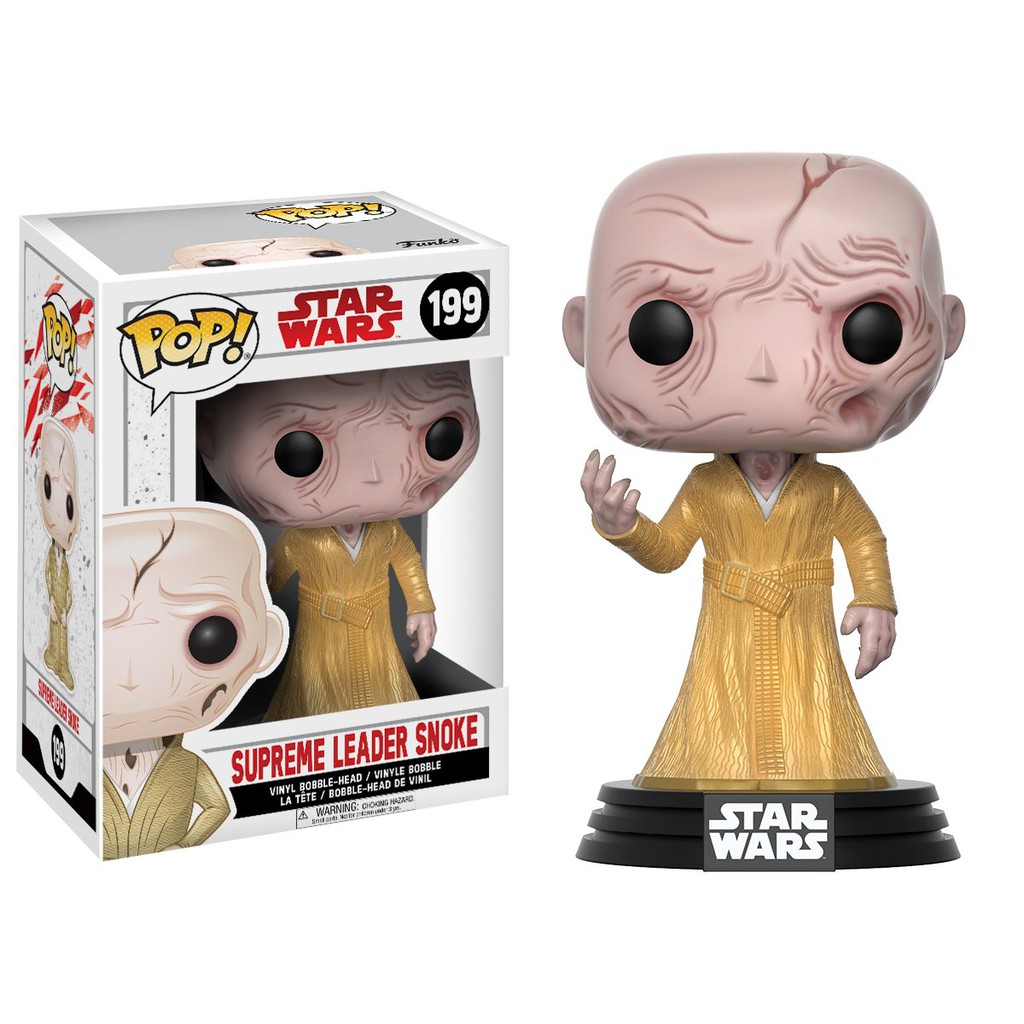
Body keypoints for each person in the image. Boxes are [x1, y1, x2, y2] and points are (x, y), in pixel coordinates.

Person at [563, 153, 964, 790]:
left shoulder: (828, 488)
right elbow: (669, 553)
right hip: (728, 629)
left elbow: (864, 537)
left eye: (868, 329)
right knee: (719, 730)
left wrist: (875, 598)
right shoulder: (707, 486)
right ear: (581, 334)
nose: (763, 371)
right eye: (665, 331)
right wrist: (623, 527)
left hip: (805, 627)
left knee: (812, 730)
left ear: (947, 329)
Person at [197, 362, 480, 720]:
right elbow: (275, 576)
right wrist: (251, 613)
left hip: (375, 627)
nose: (373, 479)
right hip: (321, 631)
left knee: (383, 691)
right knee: (316, 693)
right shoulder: (301, 538)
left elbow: (408, 562)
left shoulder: (387, 531)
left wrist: (421, 607)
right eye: (300, 454)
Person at [102, 505, 286, 858]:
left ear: (266, 644)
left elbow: (219, 806)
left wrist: (185, 844)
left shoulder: (186, 766)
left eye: (210, 640)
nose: (131, 680)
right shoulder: (79, 761)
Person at [37, 419, 80, 691]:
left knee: (62, 637)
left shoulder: (64, 561)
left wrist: (66, 606)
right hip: (56, 605)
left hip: (62, 608)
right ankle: (53, 659)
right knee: (55, 636)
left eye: (68, 504)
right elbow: (48, 575)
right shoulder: (52, 557)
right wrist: (53, 600)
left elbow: (69, 588)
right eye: (47, 488)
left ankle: (62, 664)